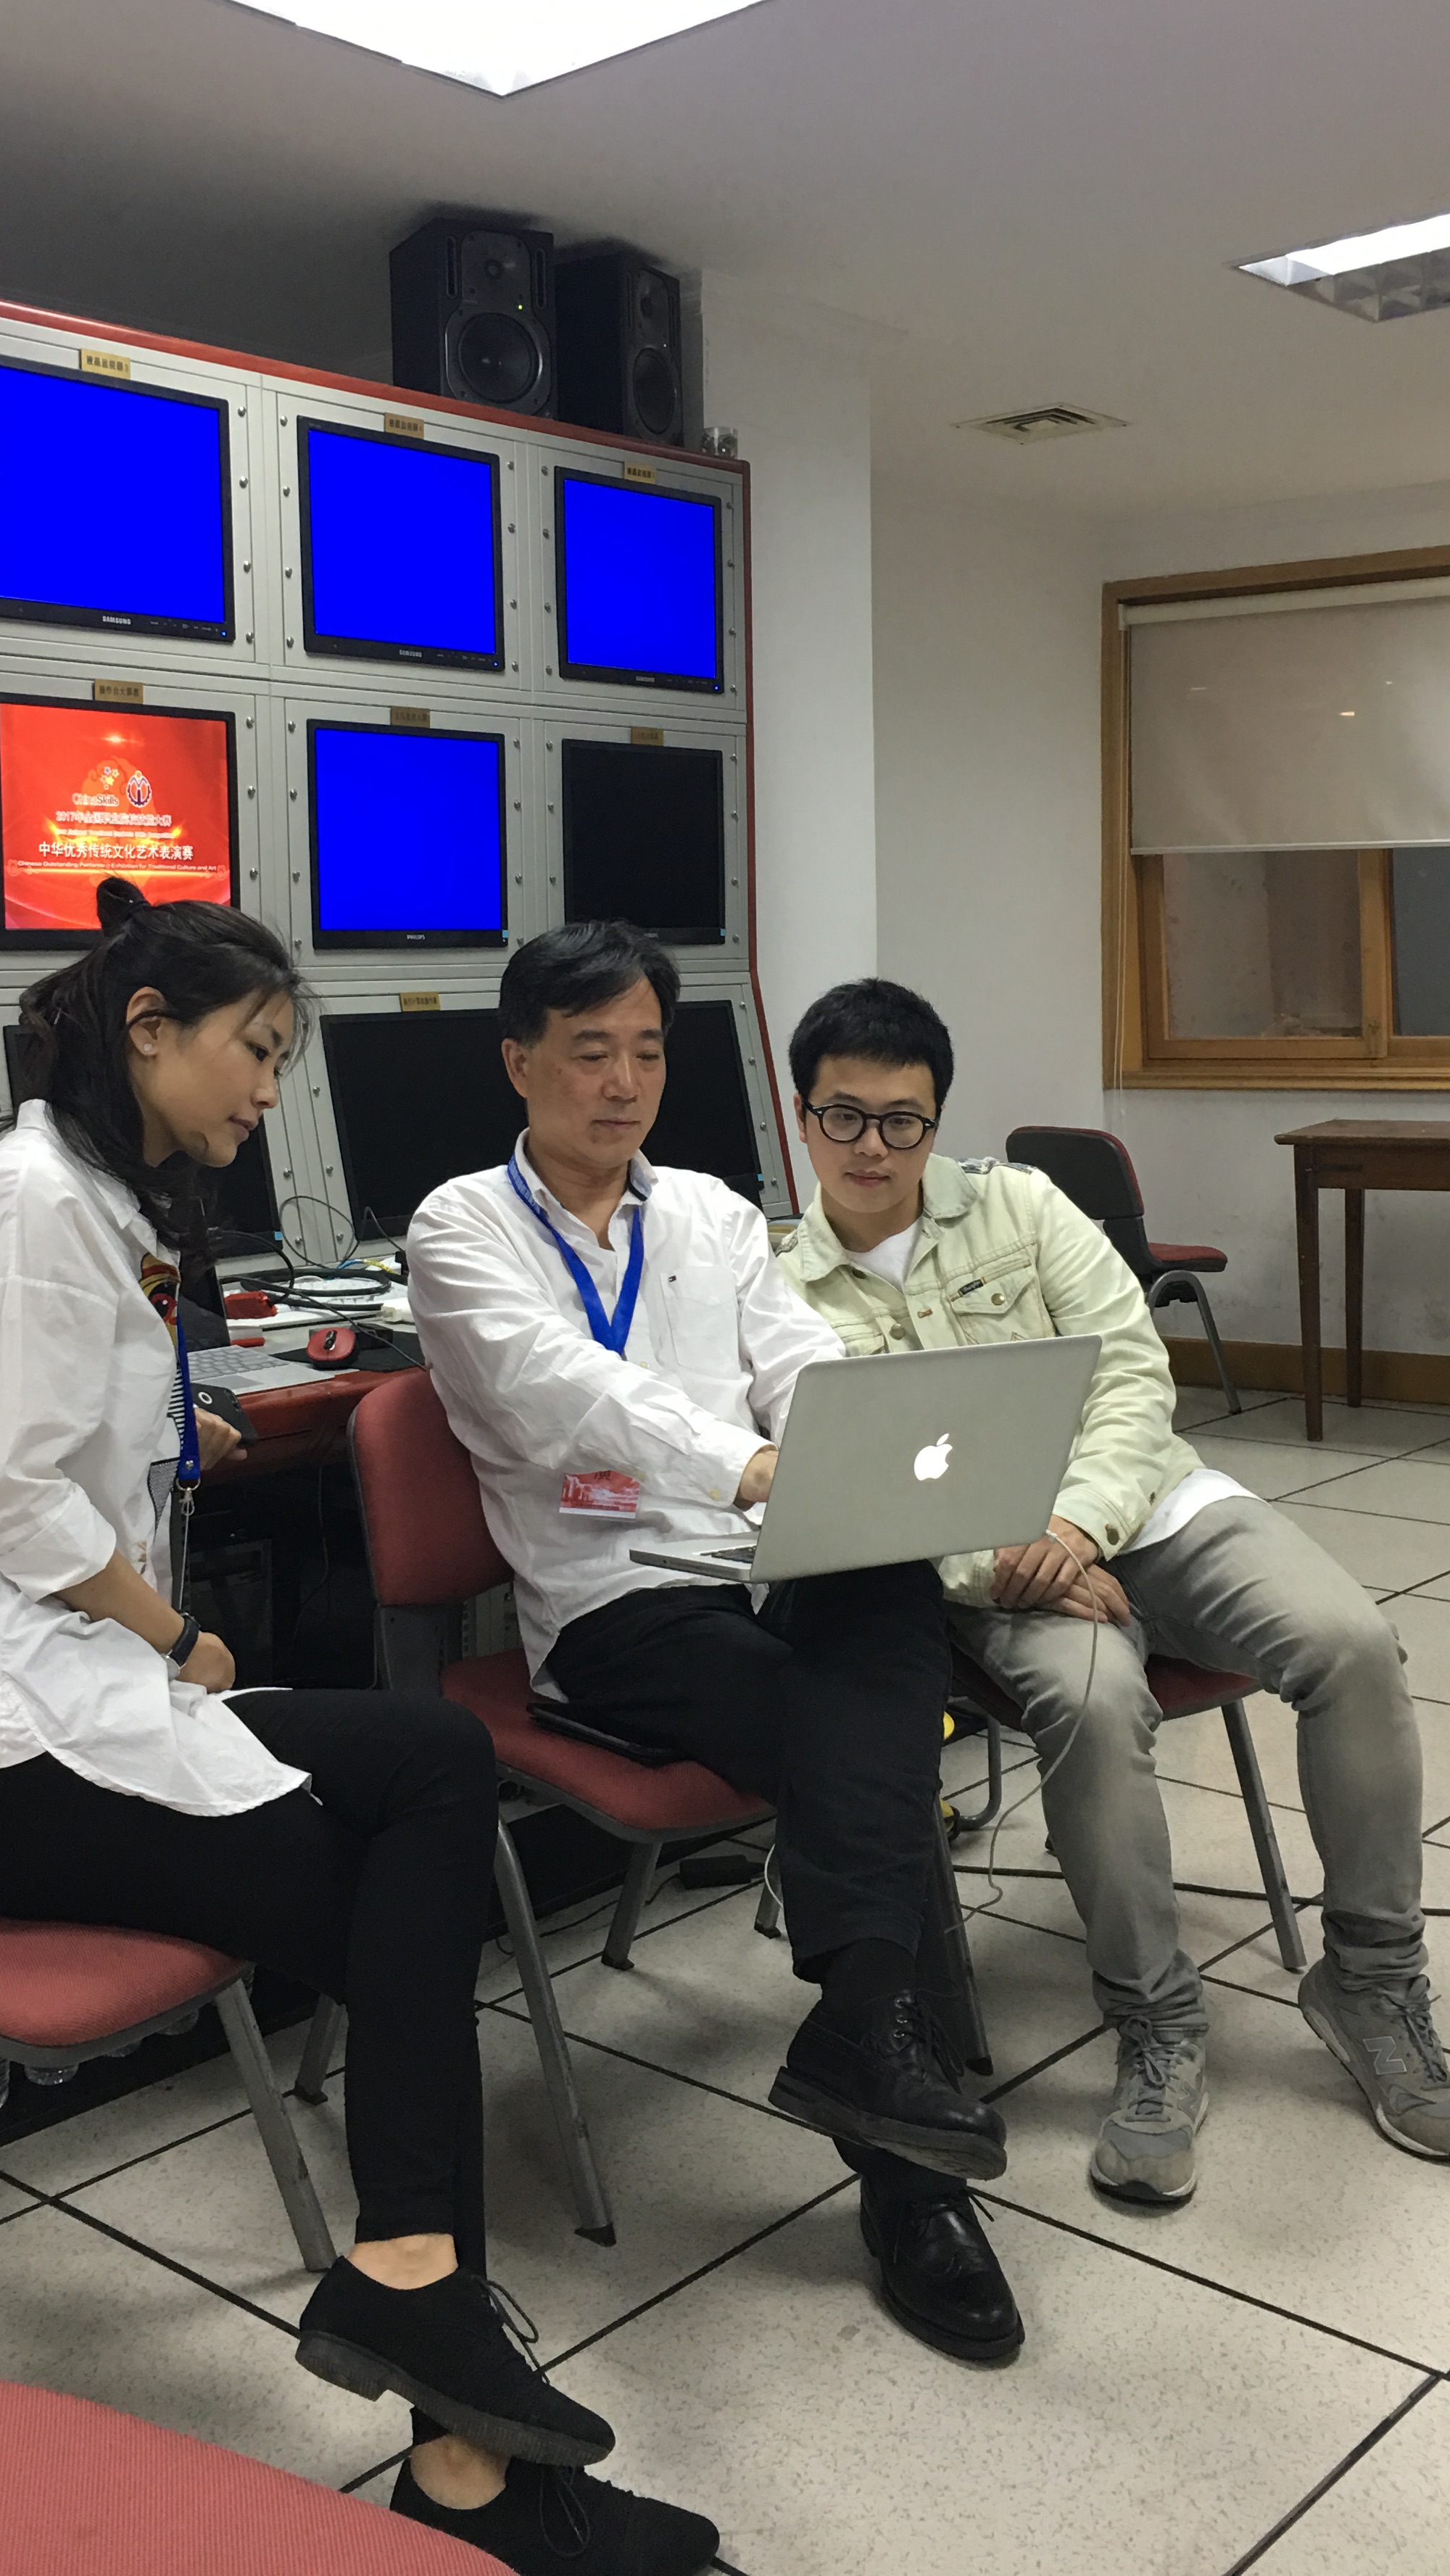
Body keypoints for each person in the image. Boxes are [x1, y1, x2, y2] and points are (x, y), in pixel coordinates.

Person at [0, 876, 716, 2576]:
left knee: (435, 1762)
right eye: (253, 1050)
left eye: (284, 1058)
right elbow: (4, 1496)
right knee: (388, 1895)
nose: (267, 1091)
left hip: (74, 1693)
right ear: (148, 1030)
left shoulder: (99, 1200)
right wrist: (183, 1636)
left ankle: (415, 2303)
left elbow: (42, 1435)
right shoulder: (28, 1207)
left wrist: (176, 1439)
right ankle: (461, 2441)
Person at [406, 922, 1023, 2369]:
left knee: (887, 1604)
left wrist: (850, 1458)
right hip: (619, 1601)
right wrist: (743, 1467)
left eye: (648, 1052)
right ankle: (915, 2188)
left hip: (765, 1559)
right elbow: (563, 1387)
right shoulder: (460, 1229)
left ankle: (859, 2035)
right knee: (858, 1746)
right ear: (519, 1063)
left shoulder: (709, 1211)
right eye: (589, 1054)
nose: (624, 1083)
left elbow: (795, 1361)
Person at [773, 977, 1450, 2208]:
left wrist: (1074, 1527)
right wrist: (1009, 1563)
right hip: (991, 1574)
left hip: (1143, 1508)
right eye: (845, 1117)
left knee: (1352, 1644)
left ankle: (1371, 1984)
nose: (873, 1147)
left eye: (903, 1120)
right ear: (804, 1118)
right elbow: (847, 1490)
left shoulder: (1021, 1205)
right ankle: (1157, 2021)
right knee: (1098, 1708)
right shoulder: (783, 1291)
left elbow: (1128, 1375)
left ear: (937, 1120)